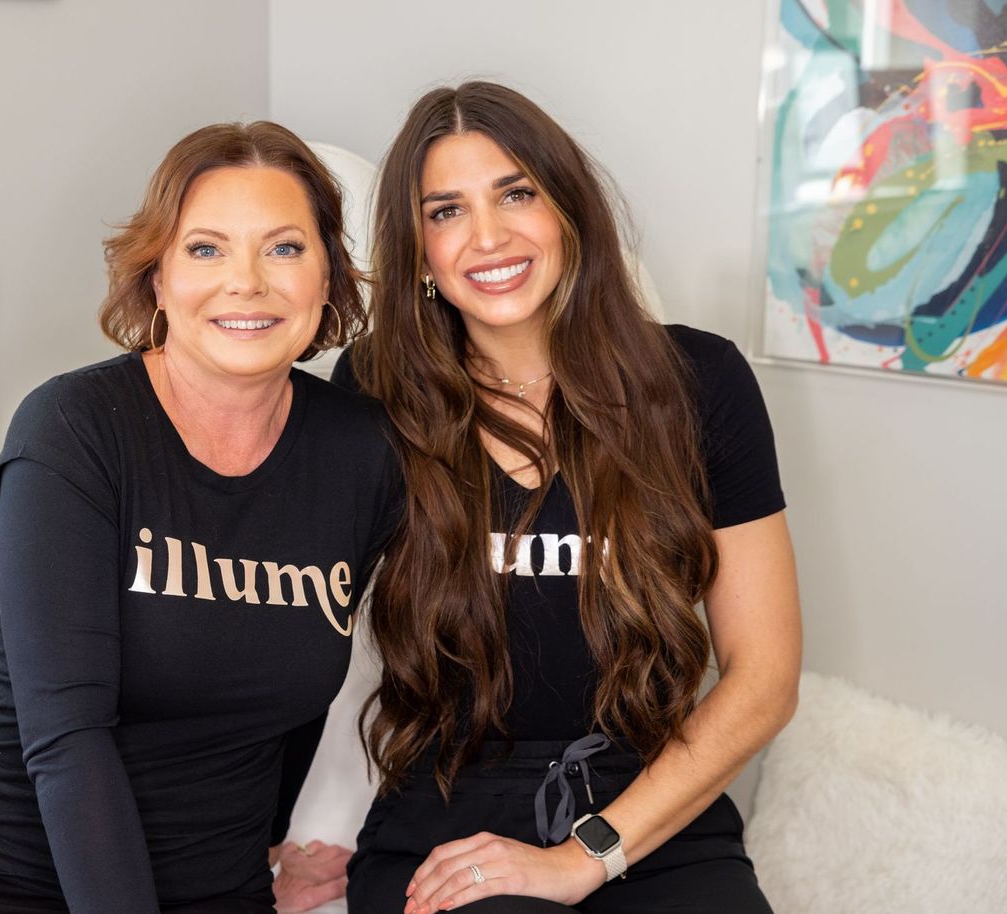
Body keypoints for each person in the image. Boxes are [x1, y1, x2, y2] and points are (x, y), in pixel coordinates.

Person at [0, 121, 402, 914]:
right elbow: (67, 740)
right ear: (157, 279)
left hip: (214, 888)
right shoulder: (76, 429)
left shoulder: (359, 454)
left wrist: (269, 844)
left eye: (284, 248)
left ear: (328, 278)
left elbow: (290, 688)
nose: (246, 281)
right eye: (206, 249)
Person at [334, 82, 802, 913]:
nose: (488, 236)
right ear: (418, 252)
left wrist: (590, 854)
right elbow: (282, 621)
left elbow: (765, 677)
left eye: (517, 192)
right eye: (446, 212)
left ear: (569, 211)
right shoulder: (375, 388)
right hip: (448, 819)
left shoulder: (699, 383)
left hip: (654, 814)